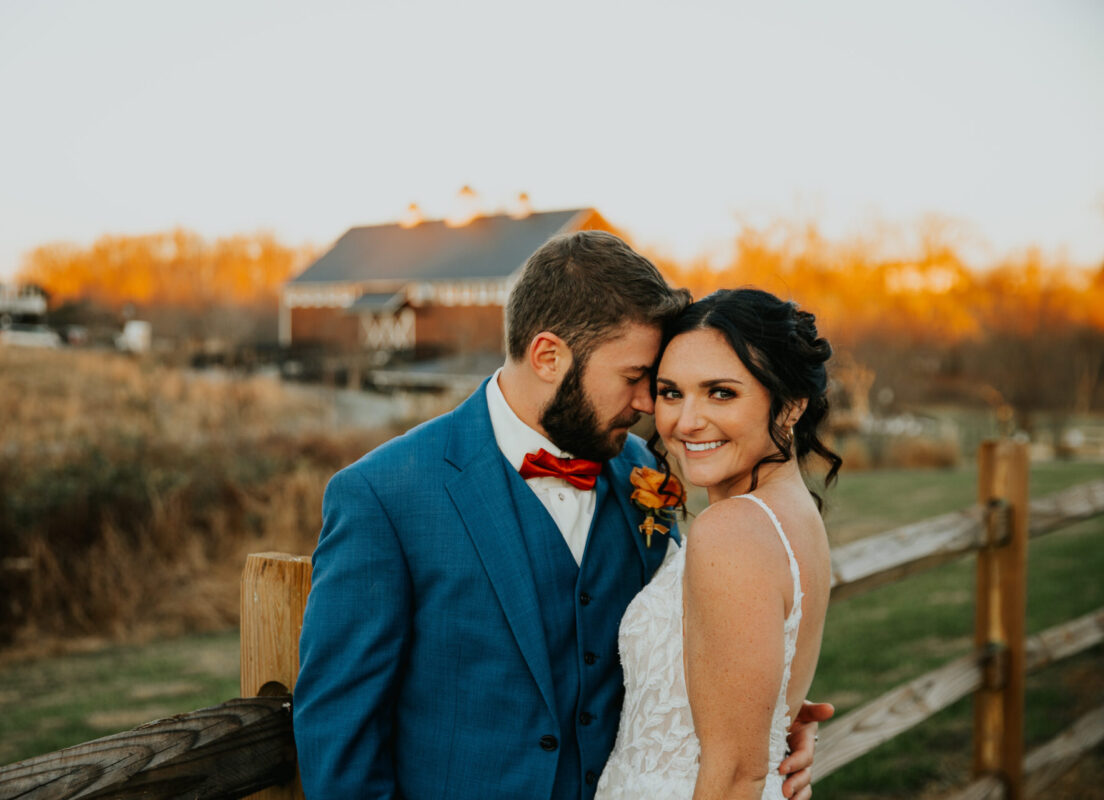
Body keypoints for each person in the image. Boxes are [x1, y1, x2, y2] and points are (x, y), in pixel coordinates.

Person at [292, 233, 831, 799]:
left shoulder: (640, 471)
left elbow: (708, 636)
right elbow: (339, 735)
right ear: (549, 356)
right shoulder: (383, 495)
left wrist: (772, 723)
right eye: (634, 378)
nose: (650, 404)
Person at [597, 288, 842, 800]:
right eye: (670, 392)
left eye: (721, 393)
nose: (686, 421)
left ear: (791, 404)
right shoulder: (793, 515)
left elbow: (735, 775)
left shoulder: (731, 529)